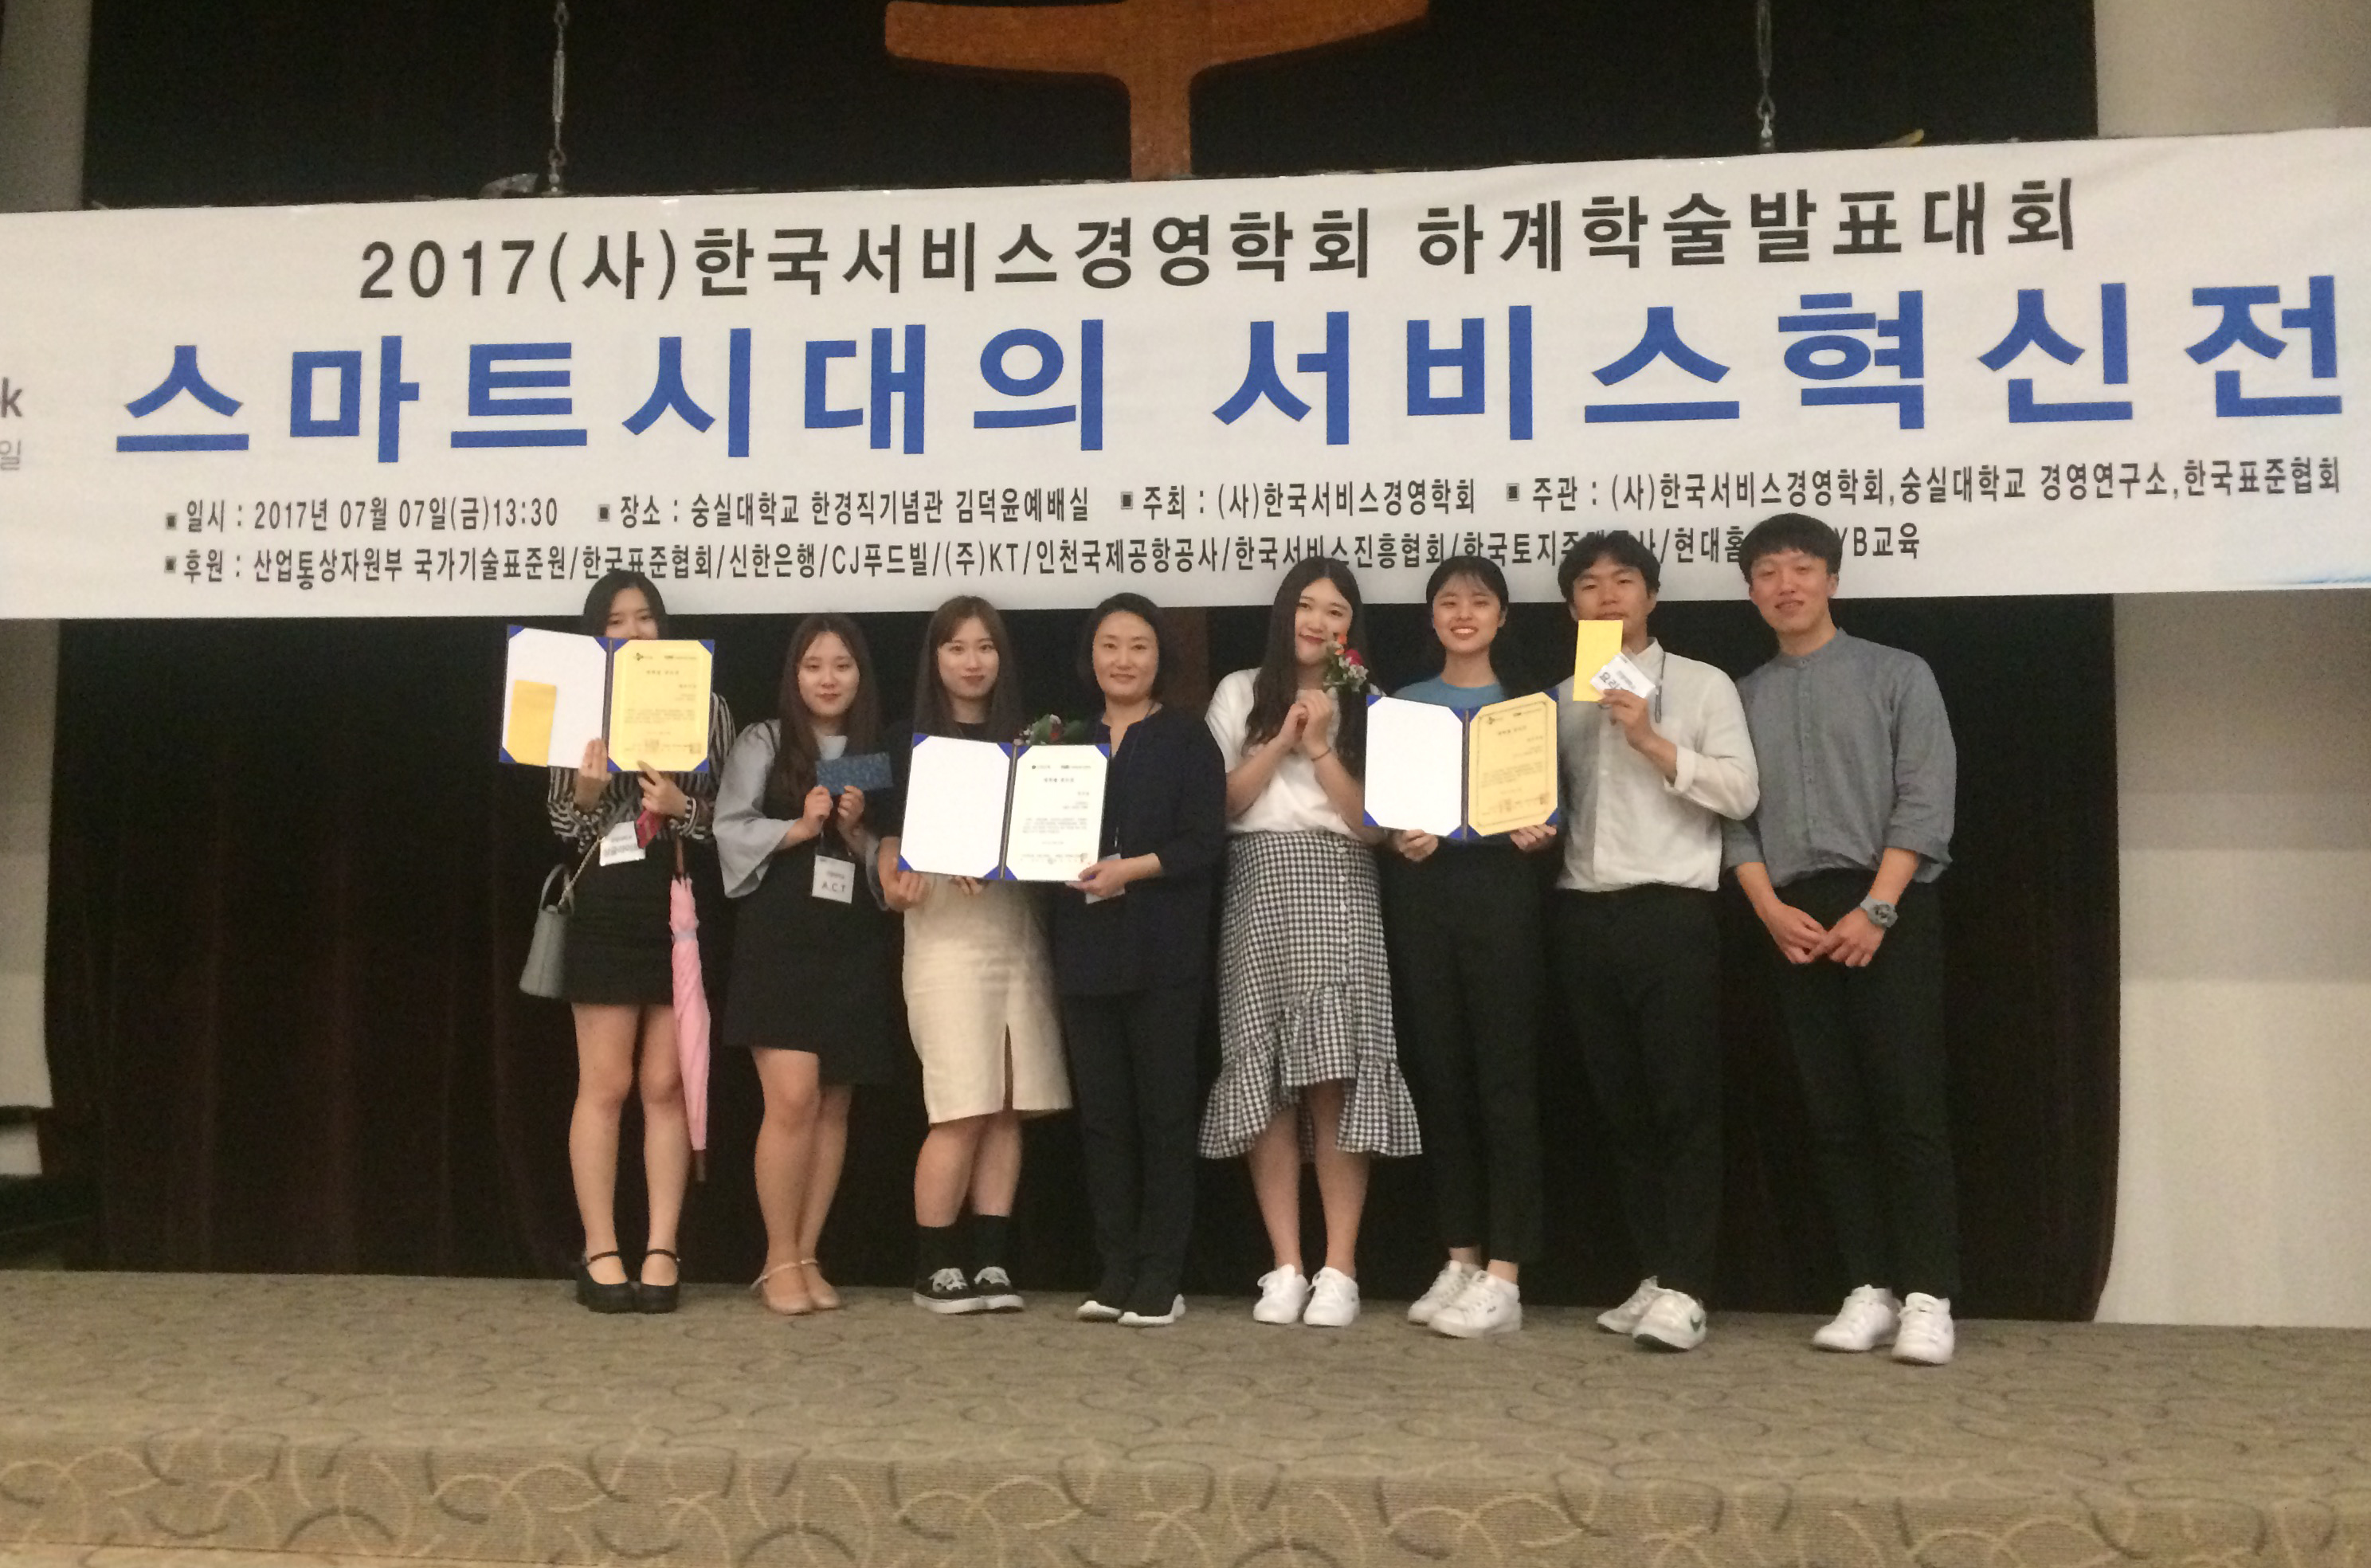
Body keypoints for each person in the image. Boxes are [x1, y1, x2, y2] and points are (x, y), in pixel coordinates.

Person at [1722, 512, 1961, 1366]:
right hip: (1792, 916)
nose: (1785, 585)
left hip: (1890, 905)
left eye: (1801, 568)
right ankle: (1868, 1287)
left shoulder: (1898, 673)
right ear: (1751, 592)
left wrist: (1879, 909)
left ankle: (1929, 1295)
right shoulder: (1743, 696)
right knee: (1832, 1115)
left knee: (1908, 1108)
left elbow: (1925, 799)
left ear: (1832, 578)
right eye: (1767, 573)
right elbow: (1731, 817)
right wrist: (1766, 909)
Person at [1552, 531, 1759, 1354]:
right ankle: (1654, 1270)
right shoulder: (1559, 698)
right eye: (1589, 586)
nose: (1606, 597)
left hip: (1671, 913)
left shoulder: (1703, 684)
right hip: (1582, 913)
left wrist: (1650, 738)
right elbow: (1543, 803)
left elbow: (1741, 792)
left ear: (1652, 596)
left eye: (1623, 582)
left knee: (1684, 1105)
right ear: (1572, 607)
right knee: (1622, 1109)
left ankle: (1690, 1286)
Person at [1202, 557, 1417, 1329]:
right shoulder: (1239, 691)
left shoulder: (1368, 701)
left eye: (1336, 612)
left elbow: (1374, 826)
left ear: (1351, 629)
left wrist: (1322, 745)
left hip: (1338, 877)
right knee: (1261, 1076)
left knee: (1334, 1075)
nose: (1318, 622)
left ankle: (1341, 1268)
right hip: (1256, 878)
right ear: (1283, 613)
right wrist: (1282, 739)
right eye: (1307, 605)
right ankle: (1286, 1264)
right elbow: (1220, 802)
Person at [543, 570, 734, 1315]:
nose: (633, 631)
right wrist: (588, 796)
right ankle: (601, 1250)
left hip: (675, 903)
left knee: (665, 1085)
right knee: (606, 1085)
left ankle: (662, 1248)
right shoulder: (574, 704)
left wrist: (683, 807)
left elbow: (727, 824)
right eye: (617, 621)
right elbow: (563, 826)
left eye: (645, 617)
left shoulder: (705, 702)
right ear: (598, 634)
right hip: (603, 903)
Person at [876, 598, 1070, 1315]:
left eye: (985, 647)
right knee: (961, 1103)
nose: (972, 661)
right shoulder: (899, 741)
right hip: (944, 934)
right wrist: (894, 867)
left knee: (1008, 1105)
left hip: (1015, 929)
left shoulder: (1035, 741)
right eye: (956, 648)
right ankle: (935, 1265)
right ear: (934, 658)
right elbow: (868, 821)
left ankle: (991, 1261)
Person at [1383, 555, 1560, 1340]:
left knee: (1506, 1083)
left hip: (1503, 895)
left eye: (1479, 601)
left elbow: (1558, 808)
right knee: (1444, 1079)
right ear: (1431, 617)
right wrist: (1399, 835)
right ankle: (1459, 1258)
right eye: (1449, 601)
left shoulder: (1529, 705)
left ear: (1502, 616)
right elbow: (1387, 811)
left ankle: (1506, 1274)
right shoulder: (1405, 704)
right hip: (1425, 897)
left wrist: (1543, 829)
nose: (1464, 613)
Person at [715, 614, 900, 1317]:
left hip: (851, 942)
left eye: (842, 665)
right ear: (793, 675)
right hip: (780, 942)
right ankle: (776, 1257)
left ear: (861, 676)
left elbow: (891, 859)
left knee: (832, 1106)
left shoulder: (876, 753)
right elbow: (728, 828)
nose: (828, 679)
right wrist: (797, 826)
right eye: (814, 665)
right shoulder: (764, 740)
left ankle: (807, 1253)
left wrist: (854, 830)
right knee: (791, 1100)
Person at [1051, 594, 1226, 1327]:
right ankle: (1115, 1268)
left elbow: (1204, 842)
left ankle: (1161, 1275)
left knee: (1162, 1115)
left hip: (1164, 951)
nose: (1123, 660)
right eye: (1110, 645)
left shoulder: (1187, 737)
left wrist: (1134, 868)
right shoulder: (1062, 741)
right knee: (1104, 1120)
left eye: (1139, 647)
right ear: (1090, 656)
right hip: (1084, 952)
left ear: (1161, 658)